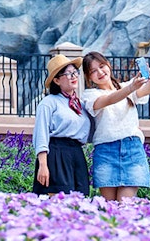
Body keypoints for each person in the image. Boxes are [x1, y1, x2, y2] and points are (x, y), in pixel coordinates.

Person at [81, 51, 150, 201]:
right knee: (109, 206)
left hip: (132, 149)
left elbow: (145, 91)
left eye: (102, 66)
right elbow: (109, 99)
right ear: (89, 77)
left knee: (125, 205)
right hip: (106, 151)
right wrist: (130, 88)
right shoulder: (90, 95)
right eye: (93, 71)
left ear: (108, 65)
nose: (100, 72)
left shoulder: (126, 86)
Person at [32, 54, 92, 195]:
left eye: (75, 72)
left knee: (80, 198)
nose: (73, 76)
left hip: (77, 153)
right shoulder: (49, 102)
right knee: (59, 199)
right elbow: (41, 133)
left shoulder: (80, 104)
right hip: (56, 153)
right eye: (68, 74)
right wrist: (43, 165)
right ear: (57, 80)